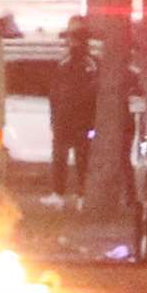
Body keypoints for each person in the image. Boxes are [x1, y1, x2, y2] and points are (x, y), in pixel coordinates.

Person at [46, 18, 98, 207]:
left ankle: (68, 195)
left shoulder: (76, 64)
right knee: (77, 159)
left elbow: (58, 94)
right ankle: (74, 195)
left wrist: (55, 117)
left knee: (71, 158)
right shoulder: (87, 63)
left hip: (72, 120)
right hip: (76, 120)